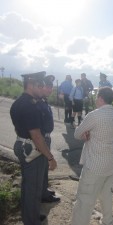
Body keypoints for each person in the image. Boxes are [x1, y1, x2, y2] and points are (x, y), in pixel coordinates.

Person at [10, 71, 57, 225]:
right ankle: (32, 221)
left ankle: (30, 217)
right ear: (31, 85)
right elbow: (36, 135)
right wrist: (50, 157)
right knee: (33, 189)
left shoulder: (19, 102)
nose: (43, 88)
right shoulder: (30, 106)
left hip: (24, 145)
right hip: (32, 150)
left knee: (29, 186)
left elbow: (19, 128)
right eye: (40, 85)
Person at [71, 87, 113, 225]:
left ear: (100, 98)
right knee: (106, 195)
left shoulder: (94, 115)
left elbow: (77, 133)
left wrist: (85, 133)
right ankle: (108, 221)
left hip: (95, 164)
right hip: (110, 163)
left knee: (84, 199)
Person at [37, 75, 61, 203]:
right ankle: (43, 195)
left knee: (44, 166)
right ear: (41, 87)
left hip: (46, 137)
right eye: (48, 86)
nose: (50, 89)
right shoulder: (37, 101)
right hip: (41, 138)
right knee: (41, 167)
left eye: (51, 87)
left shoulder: (43, 100)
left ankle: (44, 189)